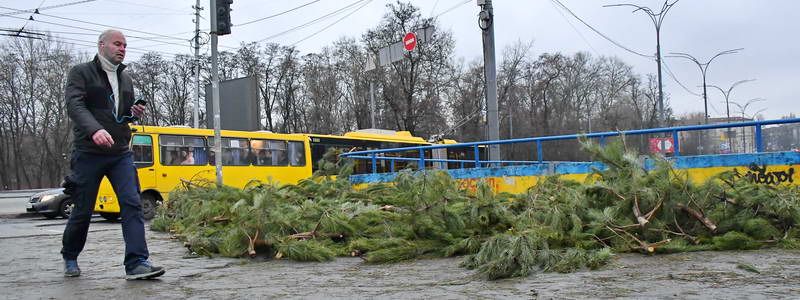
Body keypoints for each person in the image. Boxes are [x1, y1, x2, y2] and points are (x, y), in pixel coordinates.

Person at [62, 29, 165, 280]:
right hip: (89, 151)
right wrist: (94, 129)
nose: (122, 49)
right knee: (83, 209)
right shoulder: (81, 73)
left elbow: (120, 115)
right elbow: (74, 105)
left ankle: (137, 263)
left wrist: (132, 113)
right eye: (117, 44)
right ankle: (70, 256)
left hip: (120, 152)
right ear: (102, 45)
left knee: (132, 203)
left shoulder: (126, 79)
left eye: (125, 46)